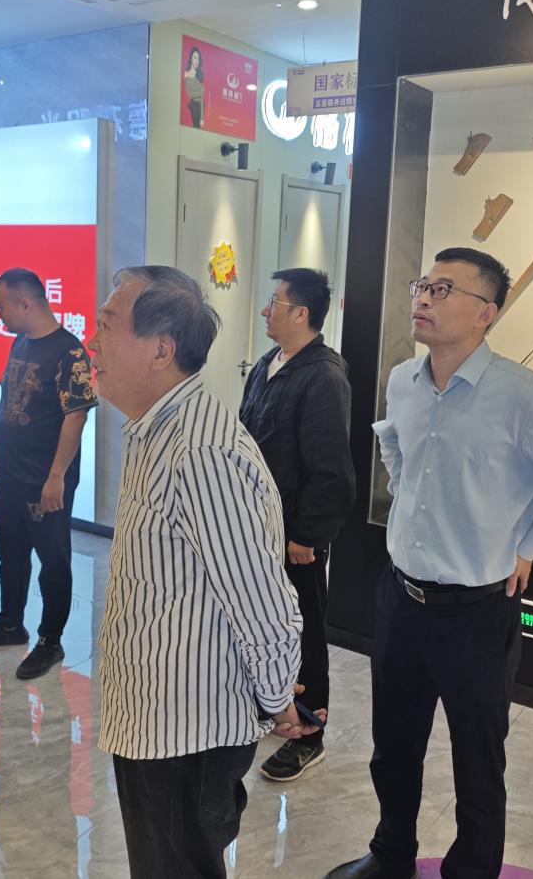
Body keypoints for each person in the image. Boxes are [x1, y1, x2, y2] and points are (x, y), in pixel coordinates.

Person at [328, 247, 533, 879]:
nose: (423, 298)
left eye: (444, 289)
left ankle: (472, 870)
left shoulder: (525, 397)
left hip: (476, 612)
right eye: (422, 284)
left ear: (485, 313)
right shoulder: (404, 380)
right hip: (400, 596)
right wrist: (408, 496)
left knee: (477, 757)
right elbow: (394, 441)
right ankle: (390, 854)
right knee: (394, 745)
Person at [87, 265, 323, 878]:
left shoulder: (200, 453)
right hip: (155, 716)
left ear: (160, 349)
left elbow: (263, 603)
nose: (92, 339)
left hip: (185, 732)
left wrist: (278, 699)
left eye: (107, 325)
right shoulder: (155, 430)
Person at [239, 268, 355, 782]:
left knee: (303, 630)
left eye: (275, 301)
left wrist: (307, 535)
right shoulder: (269, 363)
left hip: (294, 537)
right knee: (266, 625)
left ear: (301, 312)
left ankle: (309, 733)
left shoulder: (324, 376)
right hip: (257, 528)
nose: (266, 309)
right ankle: (276, 707)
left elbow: (332, 469)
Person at [0, 267, 96, 681]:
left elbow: (76, 417)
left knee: (52, 560)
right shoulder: (20, 342)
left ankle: (50, 641)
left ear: (25, 303)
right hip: (11, 472)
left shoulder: (69, 352)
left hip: (45, 478)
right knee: (10, 551)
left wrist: (57, 477)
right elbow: (8, 397)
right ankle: (10, 624)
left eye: (0, 305)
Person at [184, 45, 206, 129]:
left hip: (201, 106)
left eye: (198, 59)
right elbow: (189, 94)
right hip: (193, 106)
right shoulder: (187, 74)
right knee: (195, 128)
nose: (197, 61)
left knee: (200, 129)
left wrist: (202, 118)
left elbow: (202, 97)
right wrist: (201, 91)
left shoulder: (200, 74)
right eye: (195, 58)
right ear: (191, 58)